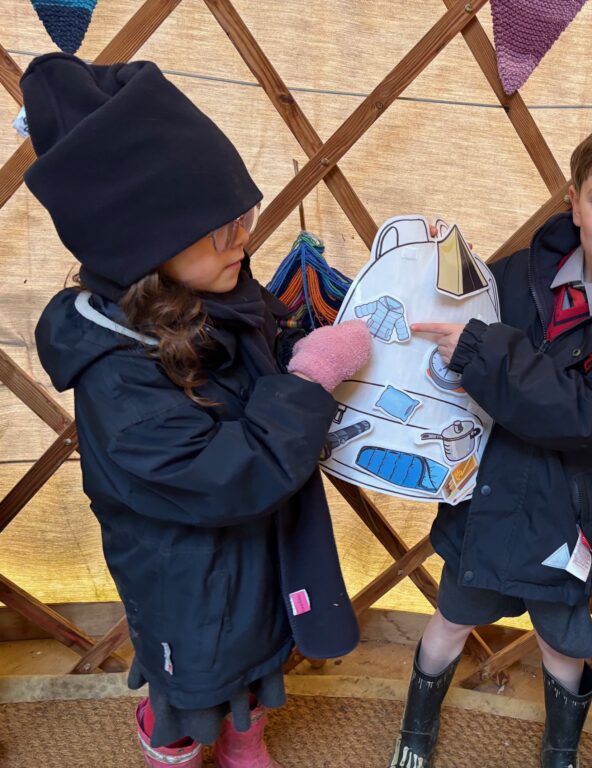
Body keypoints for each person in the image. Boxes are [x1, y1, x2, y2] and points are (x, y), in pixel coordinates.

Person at [24, 53, 371, 768]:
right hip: (182, 569)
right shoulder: (116, 375)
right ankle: (169, 737)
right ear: (141, 248)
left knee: (256, 648)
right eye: (219, 229)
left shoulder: (222, 287)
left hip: (256, 544)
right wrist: (308, 380)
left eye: (242, 217)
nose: (241, 237)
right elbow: (219, 473)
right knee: (197, 670)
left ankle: (246, 737)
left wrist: (301, 341)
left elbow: (265, 357)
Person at [396, 110, 592, 768]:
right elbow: (450, 343)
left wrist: (485, 351)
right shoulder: (516, 273)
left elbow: (590, 416)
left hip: (566, 507)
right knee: (452, 613)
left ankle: (559, 749)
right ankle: (415, 728)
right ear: (575, 201)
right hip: (488, 492)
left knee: (564, 637)